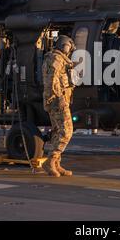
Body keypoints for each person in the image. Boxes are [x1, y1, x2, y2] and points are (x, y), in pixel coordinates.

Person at [41, 35, 77, 177]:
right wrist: (58, 98)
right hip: (57, 100)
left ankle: (56, 164)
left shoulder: (58, 58)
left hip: (59, 100)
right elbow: (51, 81)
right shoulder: (56, 58)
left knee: (58, 131)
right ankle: (50, 161)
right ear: (65, 46)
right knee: (66, 131)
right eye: (69, 47)